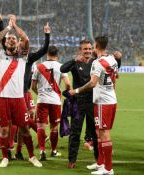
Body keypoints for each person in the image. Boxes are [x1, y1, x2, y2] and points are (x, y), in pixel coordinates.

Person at [0, 10, 51, 161]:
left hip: (19, 98)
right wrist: (7, 28)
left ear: (18, 44)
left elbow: (25, 38)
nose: (11, 40)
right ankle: (5, 157)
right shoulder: (0, 57)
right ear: (5, 43)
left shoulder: (23, 58)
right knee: (4, 131)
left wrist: (15, 25)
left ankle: (31, 156)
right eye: (9, 39)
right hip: (3, 99)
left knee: (24, 129)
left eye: (14, 39)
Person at [69, 36, 118, 175]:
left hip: (103, 102)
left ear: (96, 46)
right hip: (110, 99)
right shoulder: (112, 59)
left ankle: (108, 169)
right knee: (98, 133)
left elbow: (92, 83)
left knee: (104, 134)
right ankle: (101, 164)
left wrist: (76, 90)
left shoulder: (98, 62)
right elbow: (116, 78)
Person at [60, 40, 99, 168]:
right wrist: (74, 60)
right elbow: (62, 68)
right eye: (85, 49)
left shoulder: (96, 62)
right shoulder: (75, 63)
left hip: (92, 102)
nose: (88, 51)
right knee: (75, 132)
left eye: (89, 49)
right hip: (77, 103)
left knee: (94, 133)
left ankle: (99, 160)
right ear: (80, 50)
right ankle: (72, 160)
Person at [32, 46, 71, 161]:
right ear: (57, 55)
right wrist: (63, 93)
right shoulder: (61, 67)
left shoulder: (39, 67)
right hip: (55, 101)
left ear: (47, 54)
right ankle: (53, 151)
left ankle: (42, 151)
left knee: (40, 126)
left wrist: (40, 94)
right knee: (54, 128)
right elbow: (68, 84)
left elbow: (33, 86)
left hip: (42, 100)